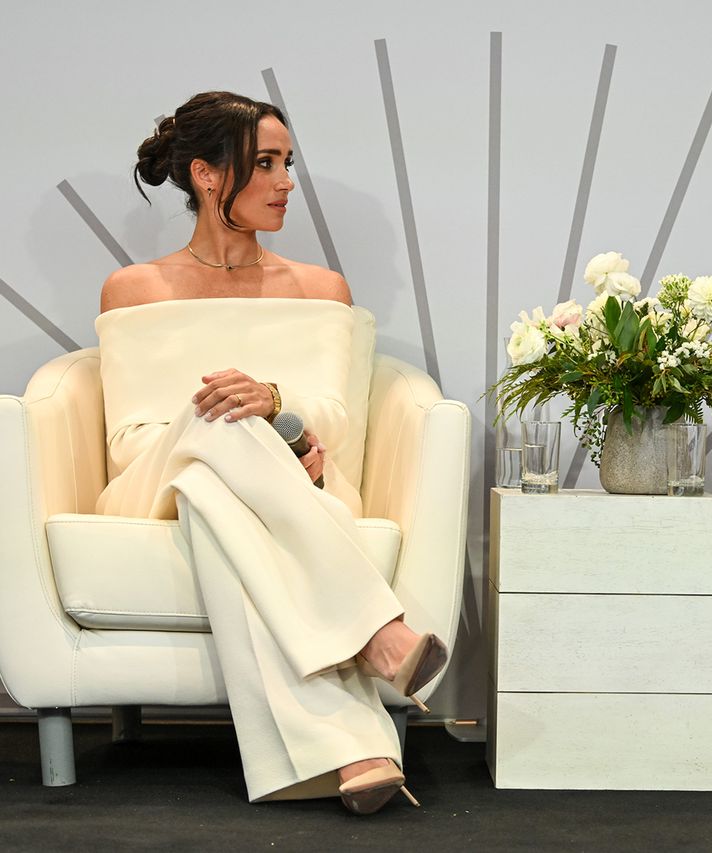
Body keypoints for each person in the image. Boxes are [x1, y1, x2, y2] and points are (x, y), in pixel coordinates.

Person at [96, 91, 448, 815]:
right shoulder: (132, 291)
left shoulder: (321, 290)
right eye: (265, 163)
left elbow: (340, 422)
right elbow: (129, 442)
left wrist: (279, 421)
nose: (287, 180)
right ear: (206, 175)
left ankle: (356, 752)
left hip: (285, 485)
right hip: (149, 486)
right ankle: (378, 634)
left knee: (213, 494)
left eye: (288, 162)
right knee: (217, 420)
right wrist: (240, 418)